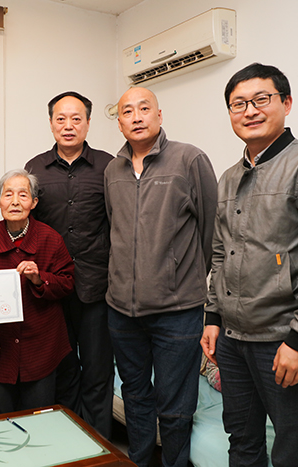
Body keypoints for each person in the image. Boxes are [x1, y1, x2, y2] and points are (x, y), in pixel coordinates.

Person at [200, 63, 298, 467]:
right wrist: (213, 316)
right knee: (242, 442)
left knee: (295, 454)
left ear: (286, 103)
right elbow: (221, 252)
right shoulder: (229, 177)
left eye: (261, 99)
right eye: (238, 104)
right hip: (232, 341)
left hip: (285, 339)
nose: (250, 111)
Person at [104, 87, 217, 467]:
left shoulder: (189, 159)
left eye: (144, 108)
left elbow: (211, 232)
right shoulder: (112, 170)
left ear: (159, 115)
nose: (136, 117)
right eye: (127, 111)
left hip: (177, 312)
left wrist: (179, 277)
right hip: (122, 311)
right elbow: (115, 229)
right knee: (135, 396)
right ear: (119, 122)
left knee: (175, 406)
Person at [24, 91, 114, 438]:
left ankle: (99, 446)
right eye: (61, 118)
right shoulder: (35, 169)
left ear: (88, 123)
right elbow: (29, 228)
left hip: (97, 288)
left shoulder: (109, 166)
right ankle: (67, 442)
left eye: (76, 118)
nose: (68, 125)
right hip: (52, 290)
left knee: (97, 372)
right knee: (61, 371)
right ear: (51, 124)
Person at [0, 169, 74, 414]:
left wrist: (40, 279)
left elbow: (67, 283)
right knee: (1, 421)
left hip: (42, 348)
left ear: (34, 202)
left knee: (39, 420)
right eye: (8, 194)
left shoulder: (51, 238)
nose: (15, 202)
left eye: (23, 195)